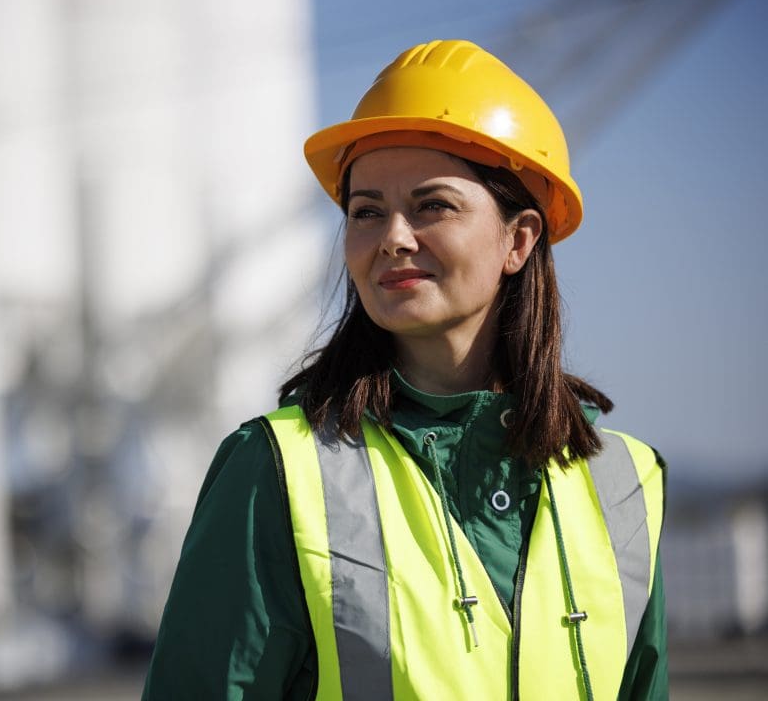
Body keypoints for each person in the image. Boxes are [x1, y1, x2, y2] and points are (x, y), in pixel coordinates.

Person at [142, 39, 666, 700]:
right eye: (366, 211)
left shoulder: (625, 487)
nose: (392, 236)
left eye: (432, 205)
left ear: (520, 239)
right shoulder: (276, 471)